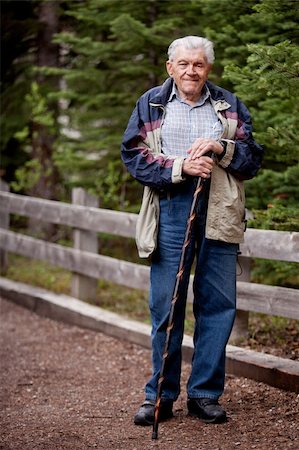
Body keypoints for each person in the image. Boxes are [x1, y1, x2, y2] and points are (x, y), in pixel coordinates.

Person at [121, 36, 263, 426]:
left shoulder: (229, 105)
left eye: (198, 64)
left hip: (219, 209)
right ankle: (160, 396)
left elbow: (253, 158)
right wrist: (179, 168)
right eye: (183, 64)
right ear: (170, 67)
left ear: (208, 69)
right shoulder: (151, 103)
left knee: (217, 305)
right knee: (165, 305)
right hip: (170, 207)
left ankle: (204, 394)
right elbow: (133, 155)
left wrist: (221, 149)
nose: (191, 71)